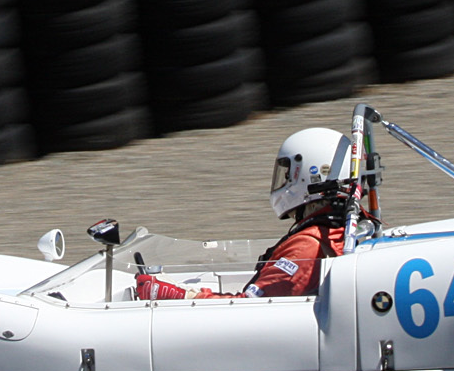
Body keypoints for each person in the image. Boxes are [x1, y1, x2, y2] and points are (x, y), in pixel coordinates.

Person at [136, 127, 350, 301]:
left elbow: (250, 310)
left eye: (288, 173)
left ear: (309, 176)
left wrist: (179, 296)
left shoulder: (307, 247)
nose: (284, 180)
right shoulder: (347, 230)